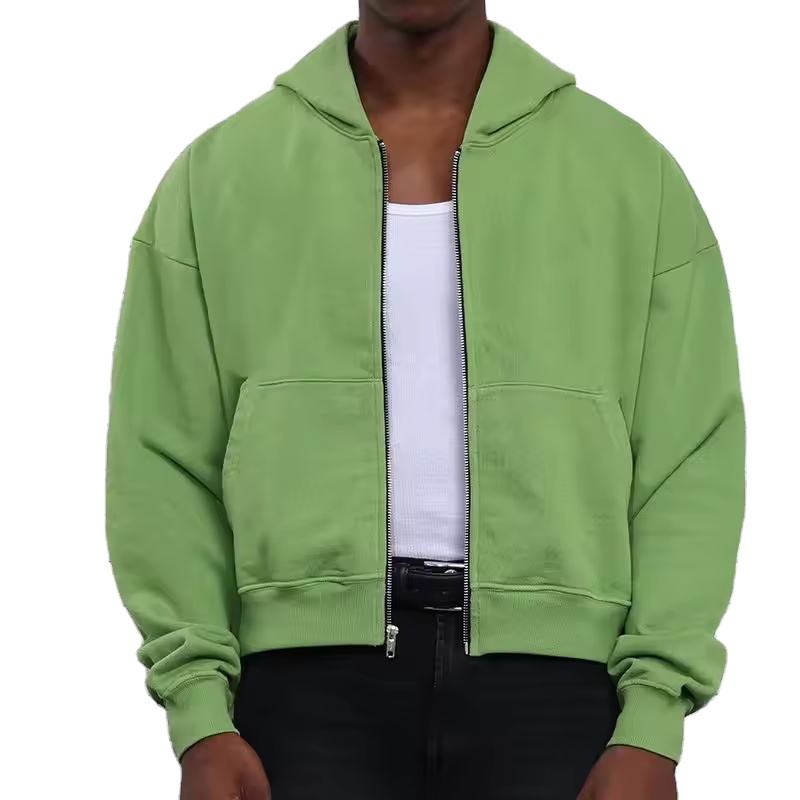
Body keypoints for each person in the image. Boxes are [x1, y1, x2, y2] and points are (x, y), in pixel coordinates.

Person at [106, 2, 745, 798]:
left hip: (562, 690)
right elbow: (160, 457)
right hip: (301, 692)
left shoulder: (630, 174)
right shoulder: (220, 176)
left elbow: (691, 457)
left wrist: (654, 715)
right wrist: (200, 711)